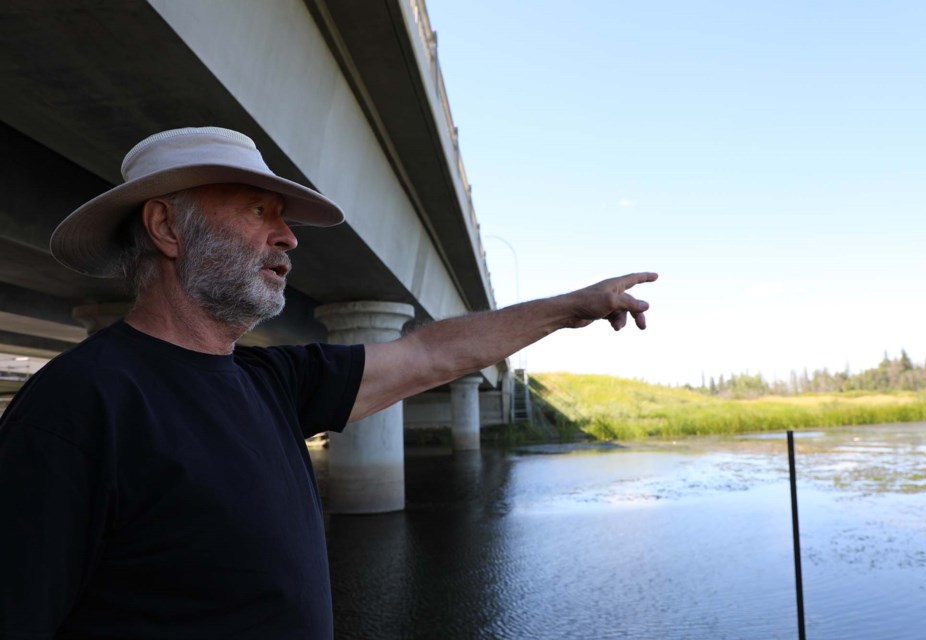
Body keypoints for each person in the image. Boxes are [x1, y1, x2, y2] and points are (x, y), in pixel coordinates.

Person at [0, 127, 657, 639]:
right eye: (259, 210)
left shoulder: (273, 381)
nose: (287, 236)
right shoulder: (76, 409)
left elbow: (427, 355)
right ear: (167, 229)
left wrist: (573, 308)